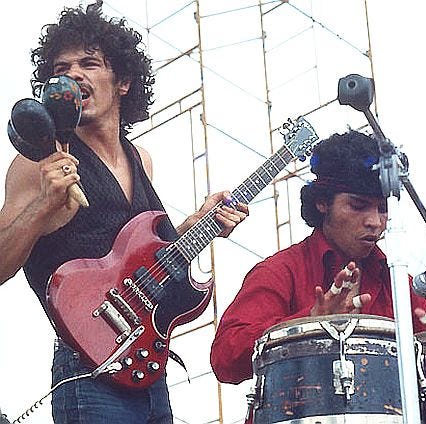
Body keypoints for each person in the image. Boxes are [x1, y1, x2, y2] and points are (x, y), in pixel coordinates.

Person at [0, 2, 247, 423]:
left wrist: (196, 225)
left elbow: (140, 260)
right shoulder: (38, 162)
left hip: (148, 366)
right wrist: (43, 205)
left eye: (89, 64)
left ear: (124, 83)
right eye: (62, 68)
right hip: (86, 370)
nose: (74, 75)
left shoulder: (140, 160)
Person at [210, 129, 426, 386]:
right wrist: (307, 325)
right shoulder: (280, 271)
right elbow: (224, 360)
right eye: (358, 206)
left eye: (383, 209)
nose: (375, 222)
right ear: (322, 202)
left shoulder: (398, 284)